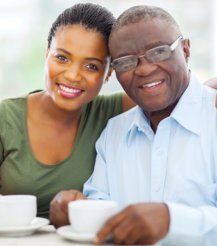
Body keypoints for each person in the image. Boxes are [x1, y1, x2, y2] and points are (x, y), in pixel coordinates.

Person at [50, 5, 217, 245]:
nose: (145, 69)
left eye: (159, 52)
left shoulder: (213, 116)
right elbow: (100, 207)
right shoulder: (114, 132)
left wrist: (171, 221)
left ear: (186, 50)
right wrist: (74, 211)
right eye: (126, 62)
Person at [0, 3, 134, 219]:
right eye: (62, 57)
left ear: (108, 74)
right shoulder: (6, 116)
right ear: (46, 55)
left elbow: (184, 92)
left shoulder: (111, 111)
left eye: (91, 66)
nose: (72, 75)